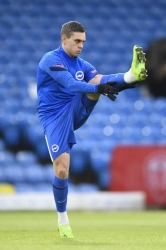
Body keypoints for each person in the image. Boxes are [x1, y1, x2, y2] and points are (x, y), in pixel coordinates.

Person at [36, 21, 147, 239]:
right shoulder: (51, 60)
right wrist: (99, 88)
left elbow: (99, 80)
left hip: (75, 109)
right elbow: (71, 84)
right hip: (54, 117)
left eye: (83, 42)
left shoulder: (82, 64)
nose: (80, 46)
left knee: (96, 79)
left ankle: (131, 75)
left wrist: (124, 82)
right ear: (64, 39)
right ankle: (63, 220)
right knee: (62, 170)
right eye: (77, 41)